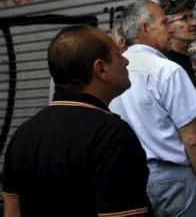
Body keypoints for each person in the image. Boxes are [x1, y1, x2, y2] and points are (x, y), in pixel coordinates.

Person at [2, 25, 151, 217]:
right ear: (101, 69)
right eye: (117, 54)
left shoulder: (23, 135)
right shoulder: (112, 135)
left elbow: (12, 213)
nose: (126, 60)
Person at [109, 0, 196, 217]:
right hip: (175, 181)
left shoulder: (114, 71)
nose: (170, 28)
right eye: (163, 23)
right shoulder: (168, 70)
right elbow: (192, 139)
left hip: (132, 179)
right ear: (145, 29)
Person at [139, 0, 196, 137]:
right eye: (185, 19)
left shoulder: (185, 58)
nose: (194, 22)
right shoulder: (167, 65)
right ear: (168, 26)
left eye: (192, 16)